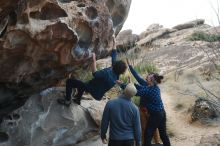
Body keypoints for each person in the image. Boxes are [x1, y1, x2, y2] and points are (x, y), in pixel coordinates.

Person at [57, 38, 127, 106]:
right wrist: (114, 42)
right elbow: (114, 54)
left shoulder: (107, 74)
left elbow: (95, 74)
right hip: (98, 93)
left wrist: (93, 60)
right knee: (82, 84)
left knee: (69, 82)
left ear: (115, 66)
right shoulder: (116, 75)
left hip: (92, 90)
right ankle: (77, 100)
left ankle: (67, 101)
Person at [117, 61, 171, 146]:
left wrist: (122, 85)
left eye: (148, 77)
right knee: (163, 134)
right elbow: (139, 80)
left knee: (148, 134)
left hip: (156, 115)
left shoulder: (148, 90)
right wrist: (130, 67)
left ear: (152, 81)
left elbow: (134, 92)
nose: (146, 78)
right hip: (162, 113)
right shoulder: (153, 87)